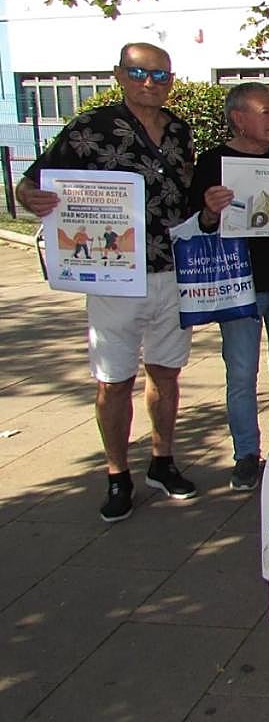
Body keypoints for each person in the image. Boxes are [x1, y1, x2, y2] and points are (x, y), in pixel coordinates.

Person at [17, 42, 197, 522]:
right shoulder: (90, 128)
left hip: (172, 269)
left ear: (170, 80)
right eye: (139, 73)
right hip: (114, 275)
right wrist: (31, 198)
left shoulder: (179, 130)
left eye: (160, 75)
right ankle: (118, 475)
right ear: (119, 75)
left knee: (166, 372)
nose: (150, 82)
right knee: (115, 380)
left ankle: (162, 461)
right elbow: (30, 183)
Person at [190, 82, 269, 490]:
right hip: (237, 285)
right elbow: (197, 225)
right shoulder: (213, 163)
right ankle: (246, 454)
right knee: (241, 373)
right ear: (239, 118)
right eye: (266, 111)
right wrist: (209, 211)